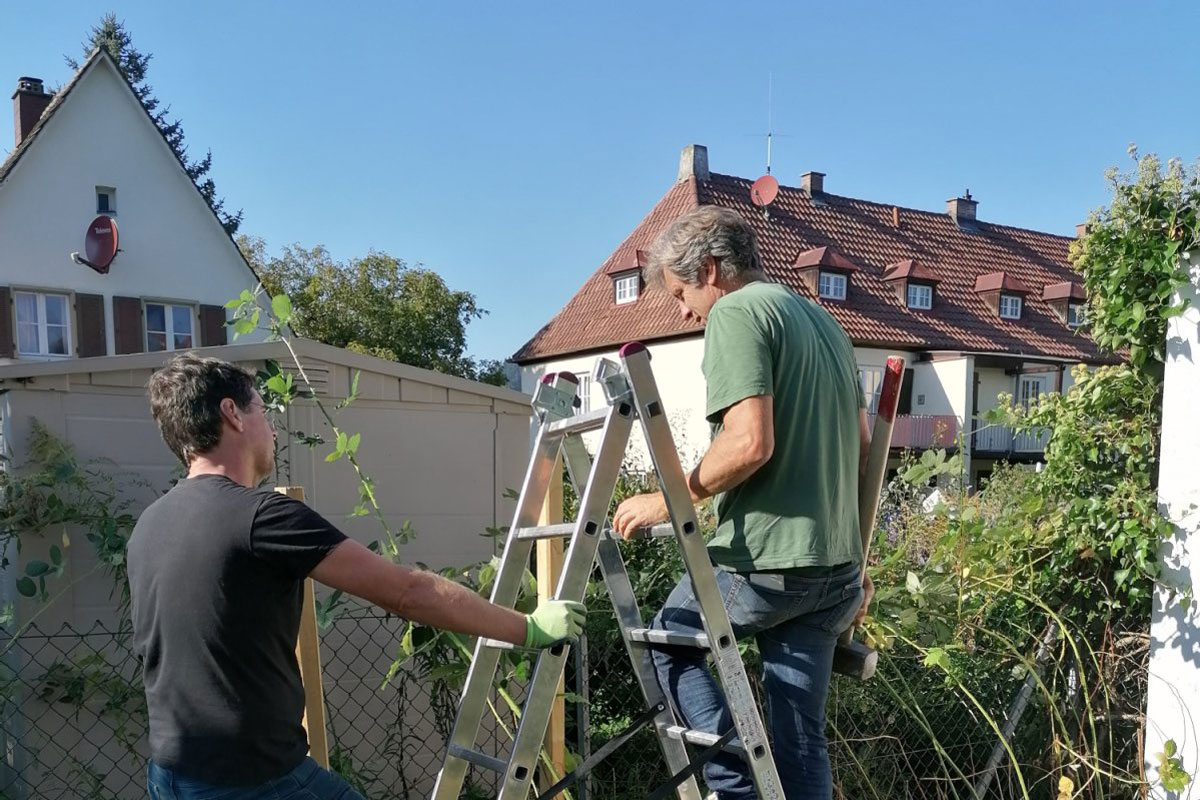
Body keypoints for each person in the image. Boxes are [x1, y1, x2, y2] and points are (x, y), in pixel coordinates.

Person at [129, 353, 585, 800]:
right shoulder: (261, 516)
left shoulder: (151, 523)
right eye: (262, 411)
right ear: (232, 414)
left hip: (171, 774)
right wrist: (529, 627)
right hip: (253, 779)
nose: (270, 428)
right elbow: (407, 593)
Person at [611, 206, 873, 800]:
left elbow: (750, 441)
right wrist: (858, 559)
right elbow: (861, 446)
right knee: (801, 738)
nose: (683, 311)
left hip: (765, 562)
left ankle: (735, 792)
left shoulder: (735, 312)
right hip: (831, 572)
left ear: (710, 270)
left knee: (667, 645)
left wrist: (668, 498)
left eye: (681, 293)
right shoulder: (825, 323)